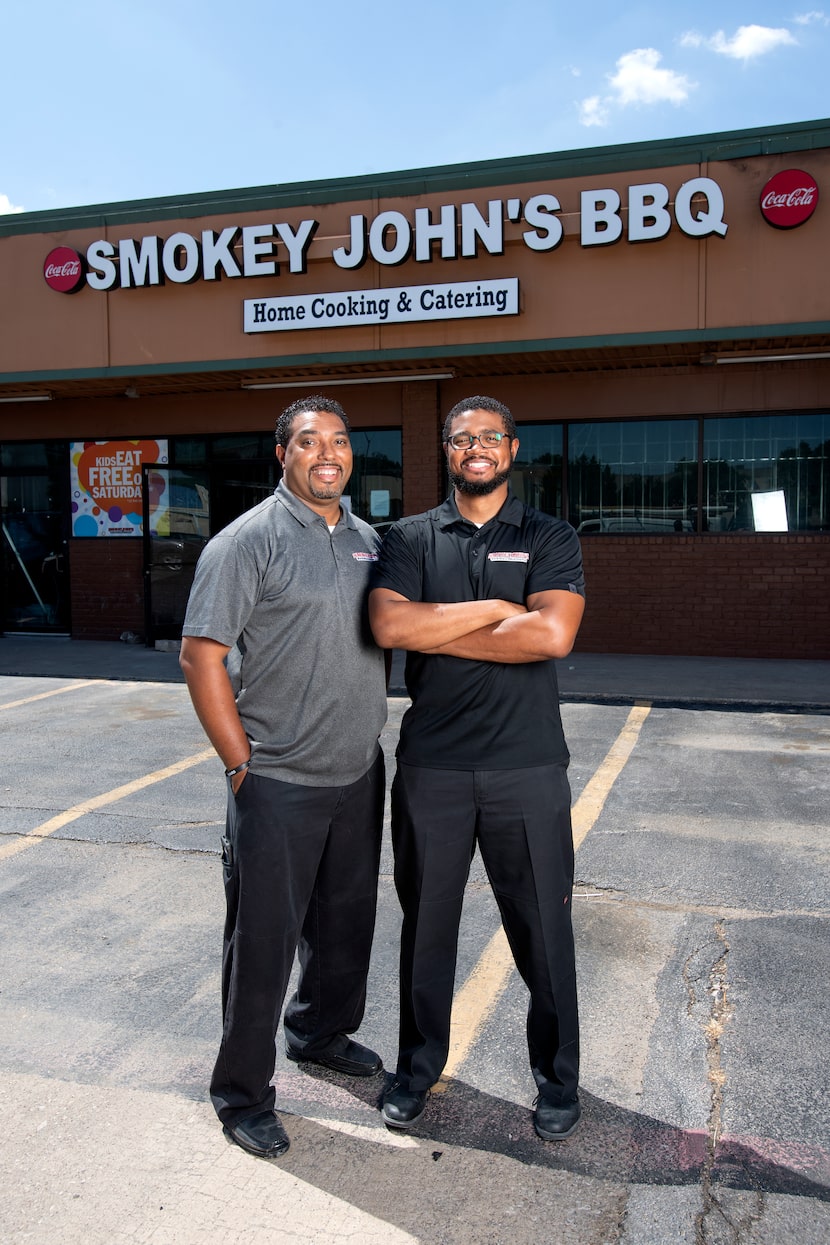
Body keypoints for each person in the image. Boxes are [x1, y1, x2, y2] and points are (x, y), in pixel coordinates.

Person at [369, 395, 586, 1141]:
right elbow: (392, 625)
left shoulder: (549, 534)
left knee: (543, 935)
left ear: (512, 449)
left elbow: (552, 634)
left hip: (527, 768)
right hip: (434, 767)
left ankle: (559, 1080)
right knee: (426, 929)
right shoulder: (407, 536)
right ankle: (416, 1068)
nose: (477, 448)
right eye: (464, 439)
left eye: (490, 437)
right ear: (447, 450)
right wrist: (498, 606)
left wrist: (440, 625)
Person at [180, 394, 387, 1159]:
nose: (327, 453)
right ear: (284, 454)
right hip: (277, 780)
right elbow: (201, 656)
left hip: (358, 770)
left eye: (338, 440)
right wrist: (241, 765)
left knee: (344, 929)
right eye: (309, 442)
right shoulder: (248, 542)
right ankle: (241, 1093)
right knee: (263, 944)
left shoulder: (369, 539)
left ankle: (321, 1033)